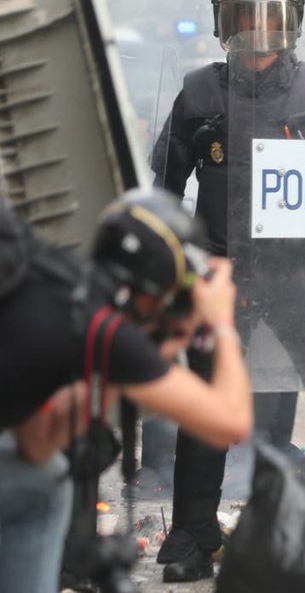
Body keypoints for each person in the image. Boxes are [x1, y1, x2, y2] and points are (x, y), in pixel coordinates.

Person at [151, 0, 305, 582]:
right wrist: (174, 268)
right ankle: (193, 533)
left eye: (269, 17)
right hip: (223, 272)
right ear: (223, 22)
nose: (256, 31)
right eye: (244, 17)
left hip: (298, 270)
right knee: (206, 404)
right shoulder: (198, 94)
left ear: (292, 23)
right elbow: (164, 191)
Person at [0, 189, 251, 593]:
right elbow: (230, 423)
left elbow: (36, 444)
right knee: (42, 490)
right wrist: (222, 322)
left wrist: (139, 361)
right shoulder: (106, 331)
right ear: (155, 288)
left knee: (44, 477)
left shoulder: (56, 280)